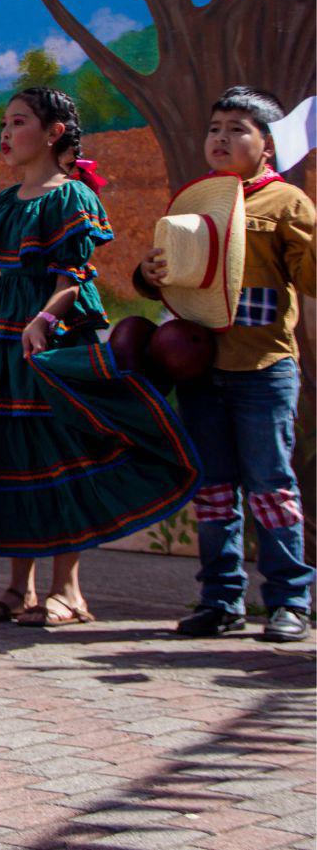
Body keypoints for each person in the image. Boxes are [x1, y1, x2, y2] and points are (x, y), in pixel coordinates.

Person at [0, 87, 198, 626]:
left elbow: (73, 277)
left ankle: (69, 592)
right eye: (4, 123)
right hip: (2, 330)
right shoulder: (5, 204)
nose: (5, 133)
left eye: (19, 122)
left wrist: (44, 319)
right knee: (12, 450)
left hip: (53, 333)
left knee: (61, 451)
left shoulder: (72, 197)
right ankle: (18, 589)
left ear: (54, 132)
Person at [136, 86, 315, 643]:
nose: (221, 138)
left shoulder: (287, 204)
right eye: (216, 127)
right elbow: (170, 279)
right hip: (201, 368)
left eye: (238, 129)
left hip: (263, 367)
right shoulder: (196, 201)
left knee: (270, 487)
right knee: (213, 491)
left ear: (266, 145)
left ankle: (289, 600)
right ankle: (220, 598)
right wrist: (150, 272)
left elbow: (310, 281)